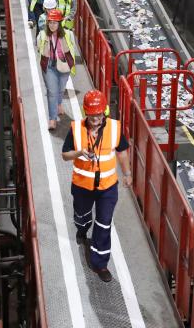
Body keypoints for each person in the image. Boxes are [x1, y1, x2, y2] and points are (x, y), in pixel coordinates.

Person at [61, 89, 131, 282]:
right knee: (82, 216)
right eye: (92, 115)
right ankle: (82, 229)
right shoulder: (76, 129)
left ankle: (100, 264)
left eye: (99, 115)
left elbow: (122, 151)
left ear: (105, 111)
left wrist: (127, 173)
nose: (96, 119)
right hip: (82, 186)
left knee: (104, 223)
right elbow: (65, 155)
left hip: (107, 187)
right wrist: (79, 153)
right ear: (86, 112)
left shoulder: (114, 128)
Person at [37, 9, 76, 130]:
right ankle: (52, 119)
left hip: (64, 65)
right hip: (49, 66)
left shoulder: (68, 34)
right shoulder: (42, 35)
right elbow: (39, 47)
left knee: (61, 89)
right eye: (50, 22)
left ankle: (58, 104)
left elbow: (72, 47)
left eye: (55, 23)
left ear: (59, 23)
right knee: (52, 92)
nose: (52, 25)